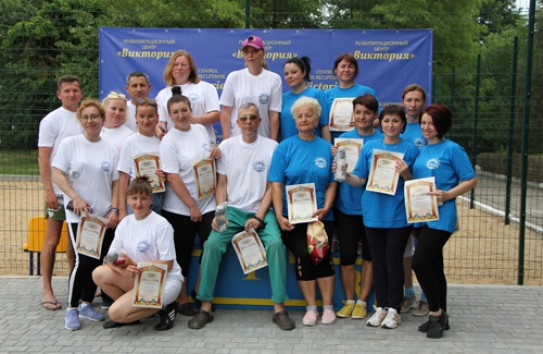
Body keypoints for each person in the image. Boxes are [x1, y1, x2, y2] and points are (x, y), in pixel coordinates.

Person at [188, 102, 295, 331]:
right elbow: (221, 183)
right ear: (237, 122)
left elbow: (271, 186)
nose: (248, 122)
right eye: (244, 118)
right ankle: (205, 306)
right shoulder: (226, 146)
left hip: (262, 211)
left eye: (252, 118)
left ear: (259, 121)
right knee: (212, 244)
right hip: (232, 211)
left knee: (276, 244)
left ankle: (279, 308)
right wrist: (219, 213)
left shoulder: (272, 146)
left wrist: (258, 217)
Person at [343, 105, 418, 329]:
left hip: (397, 215)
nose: (390, 125)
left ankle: (395, 309)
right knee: (378, 263)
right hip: (373, 213)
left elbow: (415, 184)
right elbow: (360, 180)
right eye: (386, 121)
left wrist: (406, 174)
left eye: (395, 121)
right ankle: (382, 306)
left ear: (403, 124)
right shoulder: (370, 149)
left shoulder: (411, 149)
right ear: (380, 123)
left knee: (393, 262)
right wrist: (345, 174)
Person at [51, 99, 120, 331]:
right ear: (80, 121)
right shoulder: (70, 144)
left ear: (102, 120)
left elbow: (116, 182)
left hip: (103, 216)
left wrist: (114, 209)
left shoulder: (111, 149)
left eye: (95, 117)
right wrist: (75, 198)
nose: (91, 121)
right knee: (84, 261)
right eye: (86, 117)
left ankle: (86, 304)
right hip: (80, 216)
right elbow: (57, 173)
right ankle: (71, 309)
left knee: (99, 261)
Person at [270, 97, 338, 327]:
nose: (304, 119)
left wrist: (327, 206)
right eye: (299, 116)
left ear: (317, 119)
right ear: (294, 119)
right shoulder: (284, 147)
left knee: (323, 256)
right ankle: (311, 307)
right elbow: (276, 185)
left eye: (308, 115)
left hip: (321, 216)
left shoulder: (328, 148)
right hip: (292, 218)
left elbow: (332, 183)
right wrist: (280, 215)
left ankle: (328, 306)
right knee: (305, 255)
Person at [411, 104, 476, 339]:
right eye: (424, 123)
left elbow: (470, 179)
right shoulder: (421, 150)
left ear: (442, 125)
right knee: (435, 267)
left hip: (442, 217)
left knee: (419, 263)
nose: (427, 127)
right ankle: (443, 314)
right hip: (421, 217)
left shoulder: (452, 150)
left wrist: (449, 194)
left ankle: (435, 313)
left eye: (431, 123)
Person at [92, 176, 183, 331]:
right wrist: (122, 268)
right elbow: (110, 258)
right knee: (99, 273)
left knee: (115, 313)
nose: (138, 203)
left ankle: (165, 307)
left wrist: (135, 266)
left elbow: (167, 264)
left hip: (164, 280)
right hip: (138, 276)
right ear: (127, 199)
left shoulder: (161, 225)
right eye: (134, 198)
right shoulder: (125, 223)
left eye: (143, 198)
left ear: (151, 200)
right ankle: (134, 313)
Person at [160, 94, 220, 317]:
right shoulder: (169, 141)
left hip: (208, 203)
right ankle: (182, 298)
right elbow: (172, 177)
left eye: (184, 110)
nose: (181, 115)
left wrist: (215, 152)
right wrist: (191, 206)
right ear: (170, 115)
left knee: (212, 247)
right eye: (175, 112)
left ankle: (200, 290)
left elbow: (206, 158)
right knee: (181, 255)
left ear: (190, 109)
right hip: (180, 208)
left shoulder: (200, 130)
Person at [333, 94, 382, 320]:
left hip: (374, 208)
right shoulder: (343, 140)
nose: (362, 117)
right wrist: (337, 166)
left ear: (374, 116)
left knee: (371, 256)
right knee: (348, 256)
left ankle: (362, 301)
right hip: (347, 207)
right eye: (359, 112)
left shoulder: (383, 141)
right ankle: (349, 300)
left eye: (367, 113)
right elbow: (339, 176)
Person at [37, 75, 82, 311]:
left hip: (80, 194)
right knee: (52, 240)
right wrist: (48, 190)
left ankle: (74, 287)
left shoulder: (86, 117)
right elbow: (44, 157)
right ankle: (47, 289)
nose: (72, 94)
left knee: (76, 244)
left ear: (81, 92)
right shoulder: (51, 120)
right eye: (67, 91)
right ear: (59, 94)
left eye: (75, 90)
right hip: (58, 191)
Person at [399, 84, 430, 316]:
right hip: (399, 194)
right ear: (403, 101)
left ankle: (427, 297)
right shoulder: (395, 126)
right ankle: (408, 292)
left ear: (423, 102)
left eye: (417, 100)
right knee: (405, 249)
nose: (413, 104)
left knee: (425, 248)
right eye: (409, 100)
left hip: (423, 194)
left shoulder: (428, 128)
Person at [220, 34, 282, 141]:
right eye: (247, 52)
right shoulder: (234, 77)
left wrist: (273, 143)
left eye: (255, 51)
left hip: (263, 141)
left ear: (263, 53)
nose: (251, 55)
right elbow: (225, 112)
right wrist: (226, 141)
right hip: (237, 141)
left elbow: (274, 115)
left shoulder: (274, 79)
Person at [155, 50, 220, 143]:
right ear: (170, 68)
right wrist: (159, 131)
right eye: (176, 64)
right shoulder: (162, 94)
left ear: (190, 68)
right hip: (175, 144)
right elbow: (161, 122)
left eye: (183, 65)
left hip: (202, 143)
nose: (179, 68)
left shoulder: (206, 87)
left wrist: (190, 119)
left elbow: (215, 115)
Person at [117, 98, 165, 221]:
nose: (146, 120)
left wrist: (165, 175)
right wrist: (122, 209)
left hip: (158, 197)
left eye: (150, 116)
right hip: (136, 199)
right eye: (142, 116)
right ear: (136, 118)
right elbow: (123, 178)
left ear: (157, 117)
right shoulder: (129, 142)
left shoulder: (163, 142)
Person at [326, 53, 378, 141]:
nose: (346, 70)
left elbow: (378, 119)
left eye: (351, 66)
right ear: (335, 70)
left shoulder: (366, 91)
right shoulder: (327, 94)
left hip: (365, 142)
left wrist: (361, 126)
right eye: (343, 66)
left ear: (355, 71)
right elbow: (323, 123)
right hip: (335, 144)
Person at [282, 56, 330, 142]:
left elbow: (324, 126)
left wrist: (328, 151)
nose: (289, 76)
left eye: (294, 72)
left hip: (313, 149)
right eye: (286, 74)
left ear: (304, 72)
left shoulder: (317, 94)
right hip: (289, 151)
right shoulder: (282, 98)